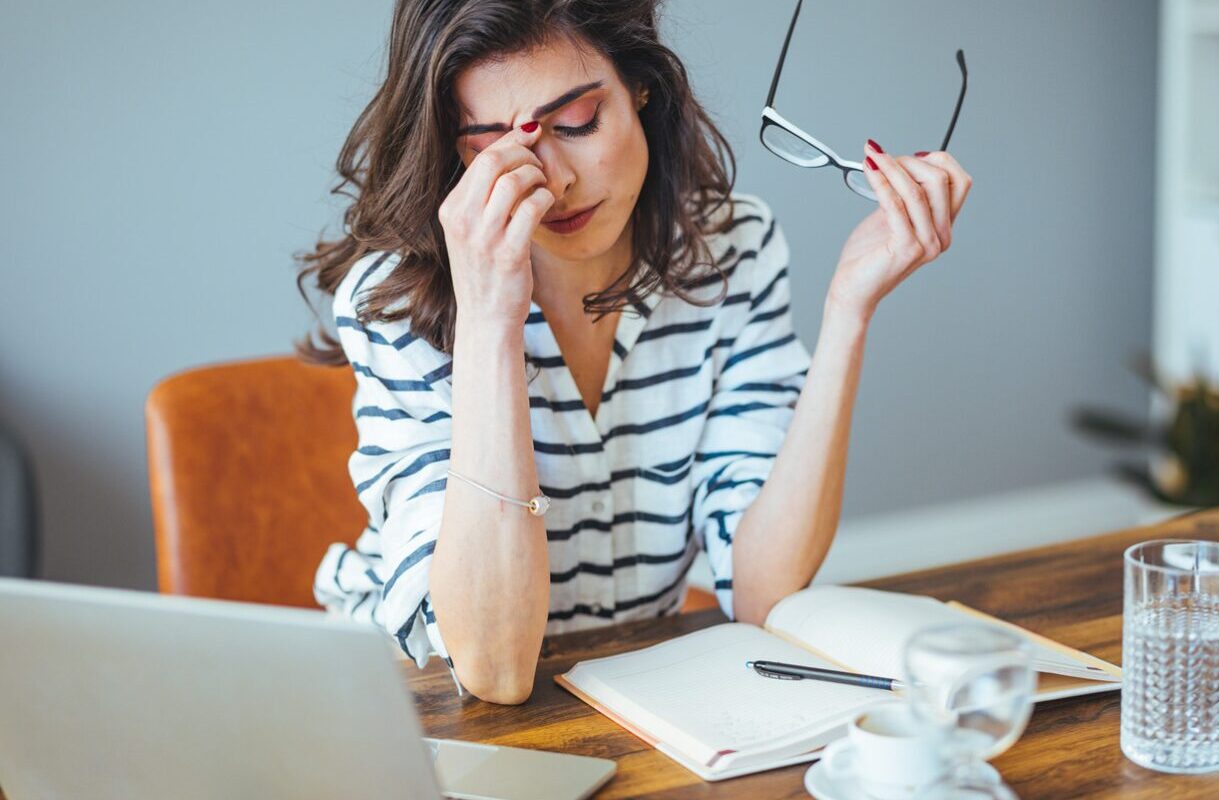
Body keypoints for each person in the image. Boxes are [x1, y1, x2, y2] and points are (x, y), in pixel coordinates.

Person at [296, 0, 971, 705]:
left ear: (641, 86)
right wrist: (492, 318)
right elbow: (491, 669)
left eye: (576, 124)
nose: (551, 179)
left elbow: (764, 595)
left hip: (631, 694)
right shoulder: (396, 302)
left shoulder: (731, 251)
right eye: (492, 146)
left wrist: (848, 312)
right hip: (413, 706)